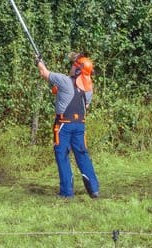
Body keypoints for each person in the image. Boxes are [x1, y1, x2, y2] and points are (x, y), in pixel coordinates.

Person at [35, 52, 99, 199]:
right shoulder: (88, 88)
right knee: (82, 155)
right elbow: (85, 105)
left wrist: (39, 61)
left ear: (77, 69)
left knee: (62, 155)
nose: (71, 67)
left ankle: (67, 192)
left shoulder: (64, 80)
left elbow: (44, 73)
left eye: (73, 65)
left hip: (64, 125)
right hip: (80, 126)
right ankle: (94, 189)